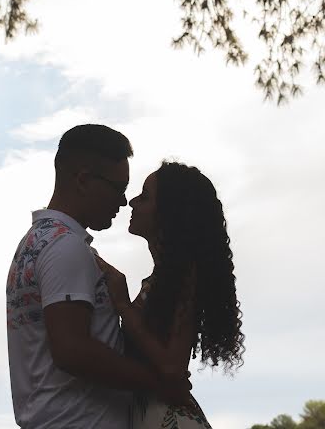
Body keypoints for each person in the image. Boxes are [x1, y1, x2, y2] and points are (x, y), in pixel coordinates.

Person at [6, 125, 190, 429]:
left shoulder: (35, 244)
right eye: (119, 188)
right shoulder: (65, 247)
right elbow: (71, 350)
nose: (123, 202)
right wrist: (158, 382)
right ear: (83, 180)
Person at [98, 161, 245, 428]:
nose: (132, 202)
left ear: (169, 213)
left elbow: (172, 367)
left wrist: (122, 304)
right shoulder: (167, 279)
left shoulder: (184, 278)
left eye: (144, 197)